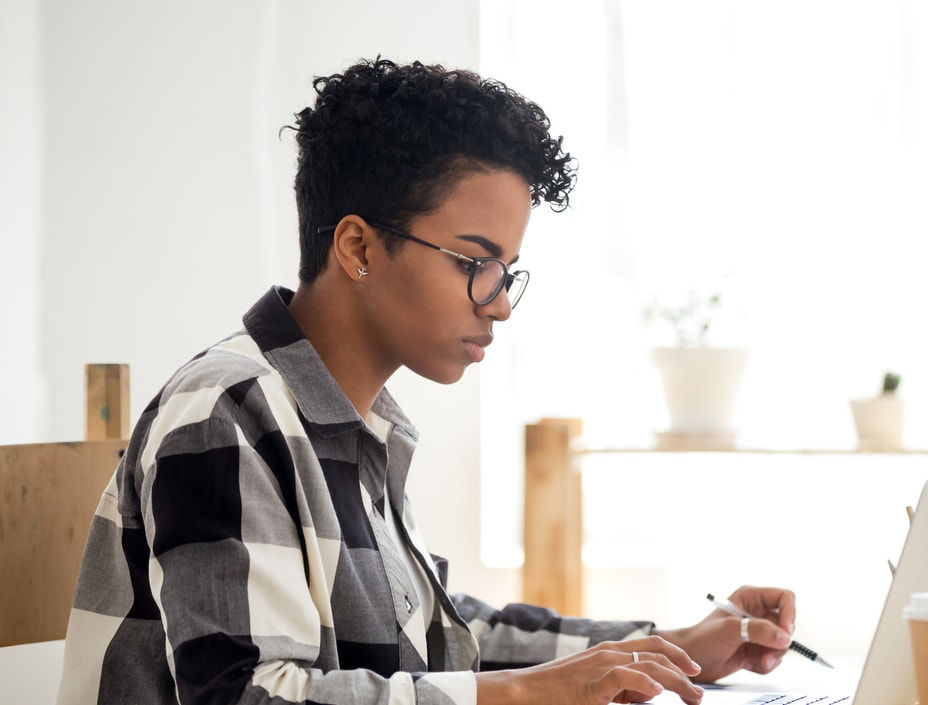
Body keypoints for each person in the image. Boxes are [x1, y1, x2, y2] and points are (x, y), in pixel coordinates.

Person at [56, 58, 798, 705]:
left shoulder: (356, 421)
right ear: (357, 247)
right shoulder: (226, 409)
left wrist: (659, 645)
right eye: (475, 263)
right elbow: (245, 695)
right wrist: (527, 694)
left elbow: (444, 637)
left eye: (508, 272)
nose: (501, 302)